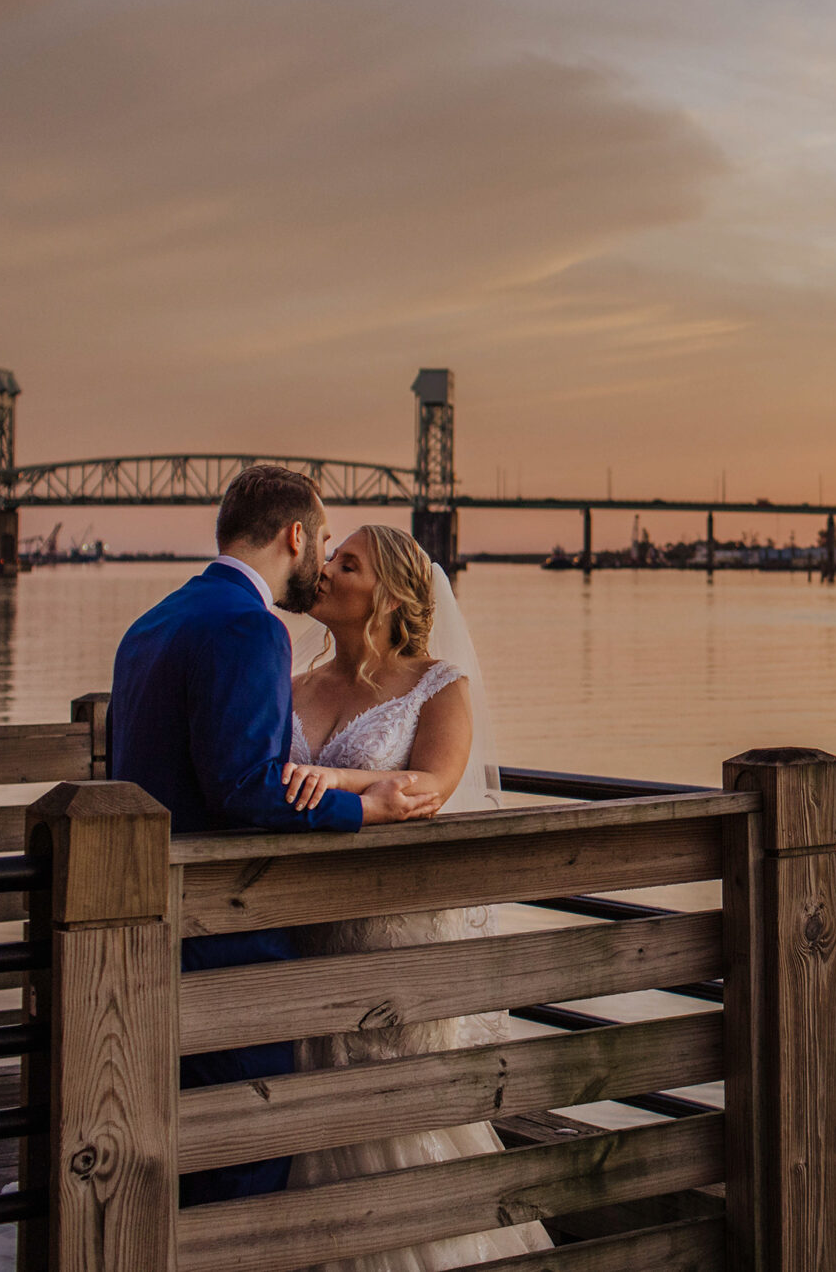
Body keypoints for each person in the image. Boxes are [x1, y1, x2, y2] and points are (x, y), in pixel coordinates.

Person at [111, 465, 443, 1205]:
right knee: (245, 1151)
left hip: (141, 923)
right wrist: (365, 809)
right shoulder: (250, 627)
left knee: (171, 1144)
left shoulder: (153, 623)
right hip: (225, 936)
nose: (323, 562)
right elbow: (241, 786)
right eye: (324, 542)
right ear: (295, 536)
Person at [274, 523, 546, 1271]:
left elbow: (429, 787)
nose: (323, 570)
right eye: (330, 557)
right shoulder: (290, 685)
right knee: (304, 1111)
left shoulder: (437, 685)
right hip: (299, 933)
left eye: (346, 563)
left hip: (391, 938)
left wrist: (339, 781)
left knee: (390, 1118)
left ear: (389, 595)